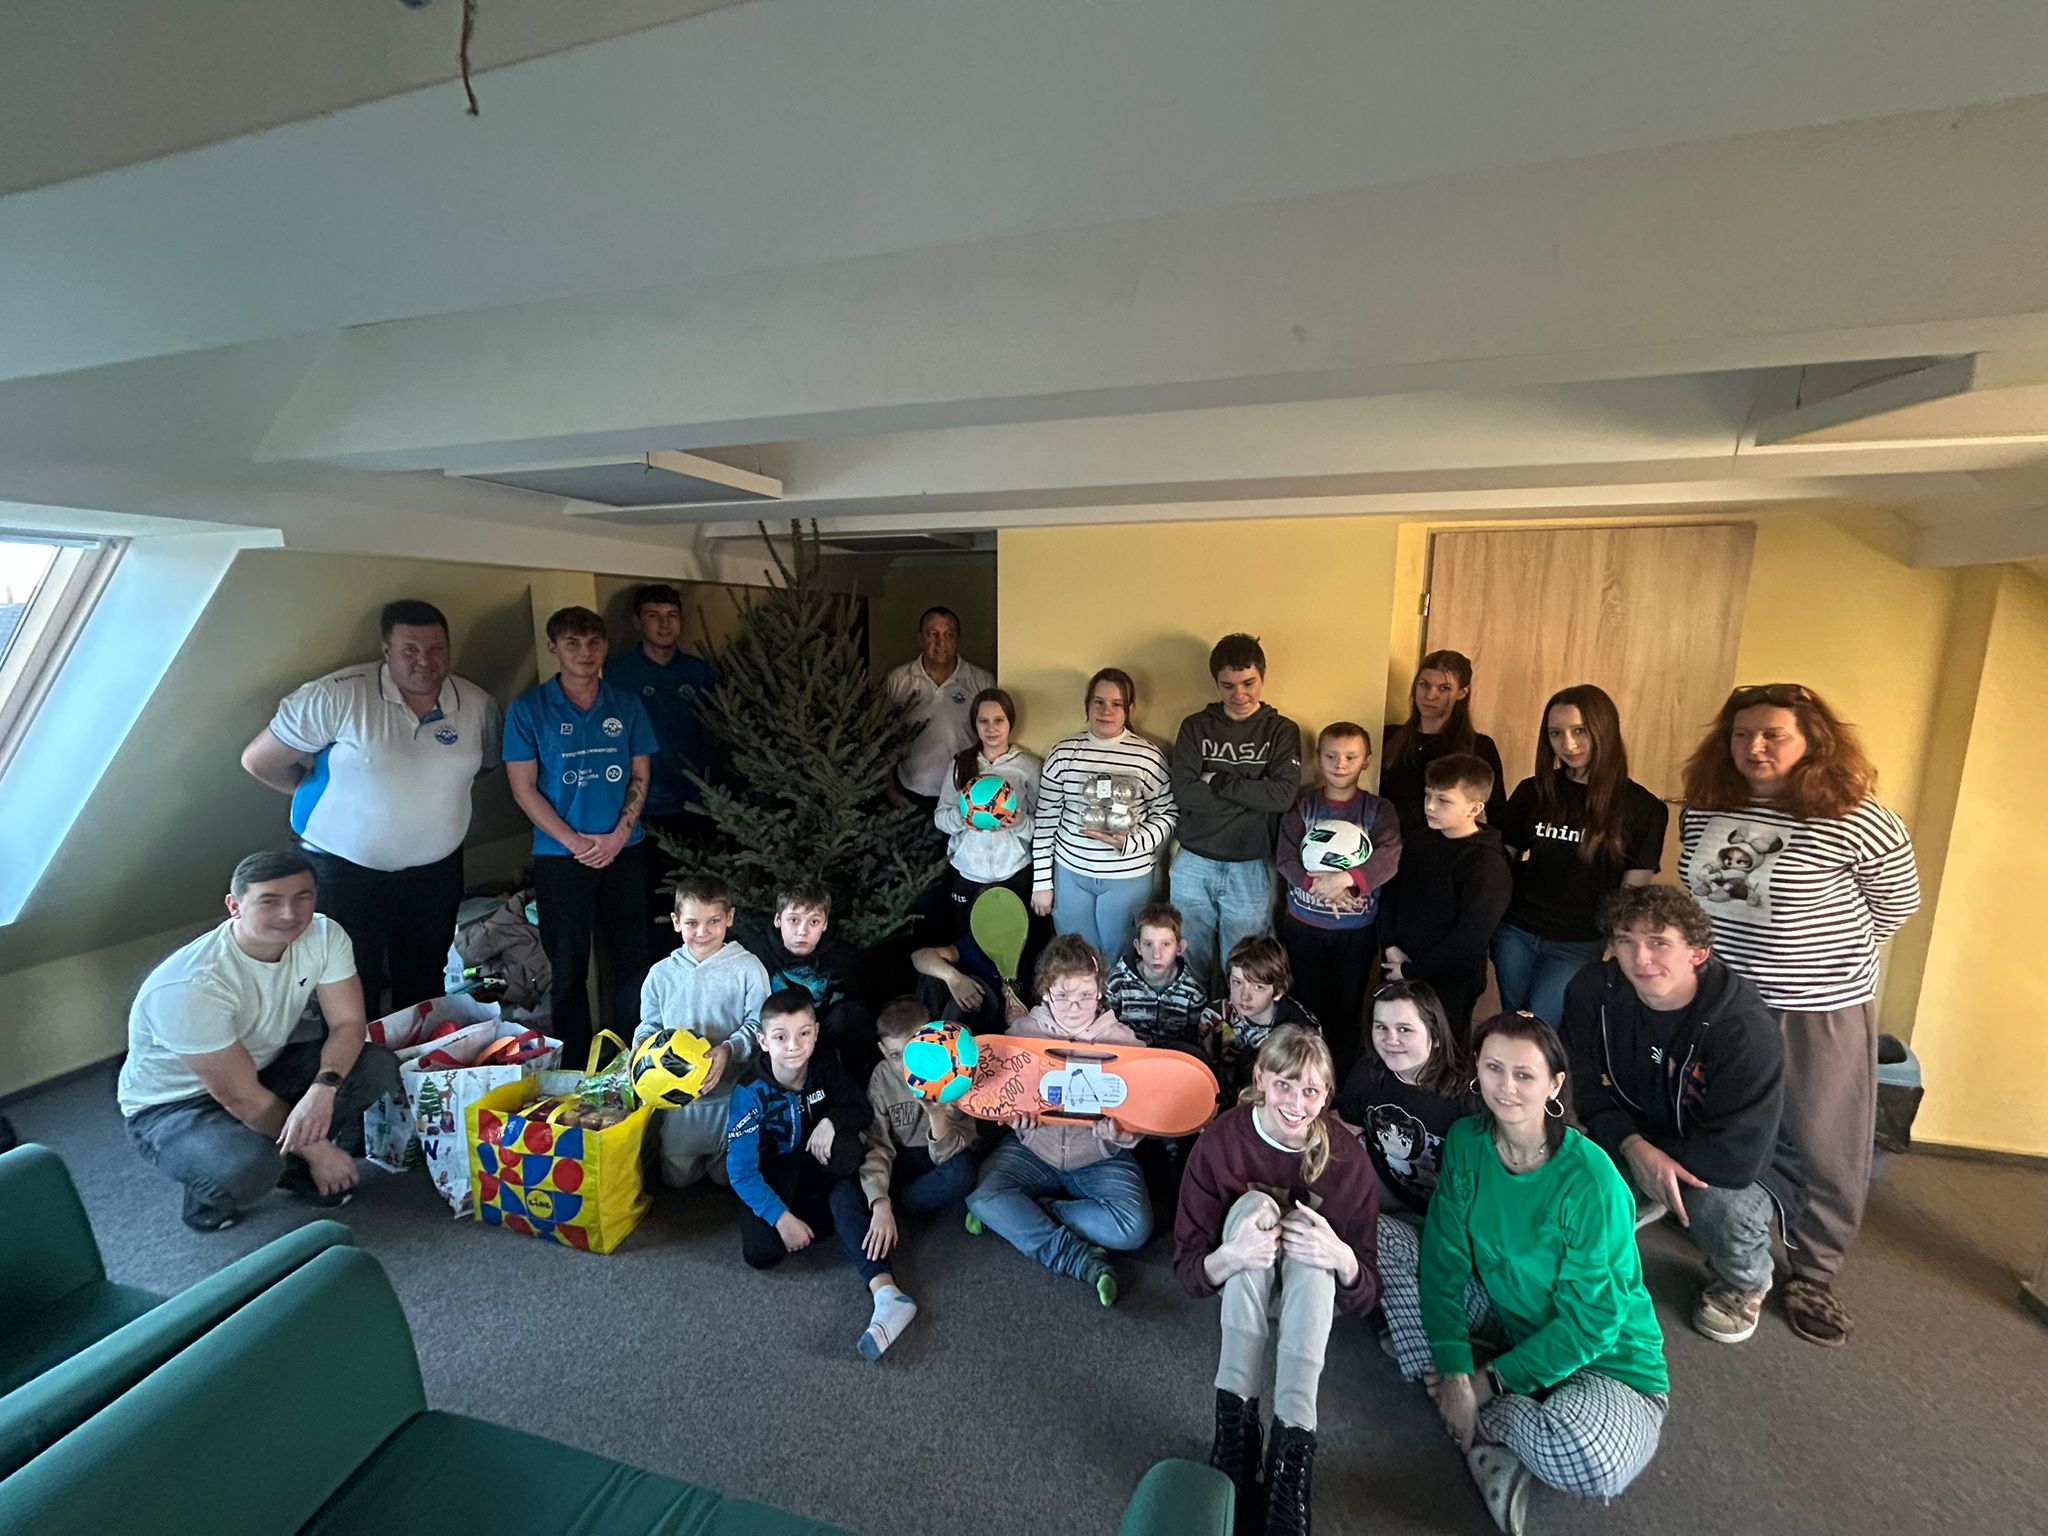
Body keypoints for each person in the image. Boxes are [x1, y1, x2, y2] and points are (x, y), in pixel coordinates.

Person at [1678, 681, 1920, 1348]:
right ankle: (1734, 1243)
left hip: (1817, 1008)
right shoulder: (1705, 810)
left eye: (1772, 734)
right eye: (1740, 734)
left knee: (1822, 1139)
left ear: (1813, 741)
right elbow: (1698, 898)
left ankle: (1814, 1270)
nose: (1753, 746)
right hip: (1723, 1000)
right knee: (1728, 1124)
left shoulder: (1859, 818)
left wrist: (1818, 958)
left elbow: (1894, 907)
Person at [1378, 1011, 1669, 1533]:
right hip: (1507, 1319)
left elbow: (1592, 1325)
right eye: (1493, 1068)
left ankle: (1477, 1415)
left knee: (1593, 1460)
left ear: (1554, 1084)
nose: (1506, 1087)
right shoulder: (1467, 1139)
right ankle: (1467, 1399)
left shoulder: (1592, 1182)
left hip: (1608, 1367)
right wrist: (1454, 1368)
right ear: (1477, 1069)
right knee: (1382, 1238)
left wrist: (1483, 1383)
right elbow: (1444, 1258)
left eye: (1524, 1074)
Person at [1565, 885, 1805, 1345]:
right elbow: (1582, 1082)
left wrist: (1651, 1158)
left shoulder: (1743, 1028)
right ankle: (1642, 1195)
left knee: (1717, 1205)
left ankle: (1744, 1280)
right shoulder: (1594, 990)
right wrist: (1633, 1147)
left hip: (1740, 1161)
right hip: (1639, 1133)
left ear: (1698, 952)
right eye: (1626, 940)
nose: (1640, 957)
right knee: (1569, 1184)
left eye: (1659, 942)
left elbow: (1739, 1157)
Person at [240, 599, 501, 1016]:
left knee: (424, 979)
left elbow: (484, 767)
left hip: (435, 874)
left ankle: (416, 1057)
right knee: (348, 982)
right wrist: (329, 800)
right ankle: (354, 1060)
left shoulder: (477, 705)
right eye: (410, 650)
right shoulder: (337, 695)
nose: (424, 661)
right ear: (386, 651)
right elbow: (260, 761)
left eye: (436, 649)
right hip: (342, 871)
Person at [120, 850, 399, 1232]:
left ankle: (292, 1158)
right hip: (173, 1105)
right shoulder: (190, 986)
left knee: (375, 1066)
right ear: (234, 906)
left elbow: (349, 1024)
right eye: (270, 901)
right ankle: (210, 1193)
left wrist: (323, 1088)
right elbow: (239, 1097)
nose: (289, 913)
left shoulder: (324, 934)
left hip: (261, 1069)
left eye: (303, 897)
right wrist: (320, 1151)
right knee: (248, 1167)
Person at [1175, 1025, 1381, 1536]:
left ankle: (1292, 1449)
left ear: (1326, 1096)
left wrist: (1341, 1257)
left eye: (1310, 1091)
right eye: (1284, 1085)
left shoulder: (1347, 1159)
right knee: (1255, 1209)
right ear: (1261, 1080)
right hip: (1244, 1283)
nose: (1295, 1103)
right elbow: (1189, 1271)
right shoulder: (1222, 1141)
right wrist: (1233, 1255)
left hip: (1311, 1298)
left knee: (1313, 1236)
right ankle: (1236, 1429)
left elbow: (1365, 1294)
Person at [725, 989, 919, 1361]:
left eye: (803, 1034)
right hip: (775, 1171)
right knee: (762, 1253)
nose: (793, 1046)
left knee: (847, 1152)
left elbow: (859, 1108)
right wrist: (781, 1219)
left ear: (815, 1033)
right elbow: (741, 1172)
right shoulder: (749, 1092)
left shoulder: (825, 1066)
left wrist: (830, 1121)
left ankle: (878, 1279)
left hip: (817, 1161)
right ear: (763, 1042)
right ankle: (817, 1217)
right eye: (780, 1037)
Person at [503, 605, 657, 1065]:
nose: (585, 652)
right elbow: (523, 789)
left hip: (624, 850)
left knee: (632, 961)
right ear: (554, 648)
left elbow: (640, 775)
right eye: (572, 643)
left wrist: (618, 835)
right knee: (568, 967)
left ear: (605, 646)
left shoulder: (626, 703)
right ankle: (575, 1066)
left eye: (593, 642)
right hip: (560, 858)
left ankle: (632, 1057)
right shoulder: (528, 709)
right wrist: (576, 843)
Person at [964, 934, 1151, 1303]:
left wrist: (1125, 1135)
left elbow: (1142, 1110)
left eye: (1085, 994)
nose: (1074, 1006)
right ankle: (1079, 1260)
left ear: (1100, 992)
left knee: (1134, 1228)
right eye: (1062, 995)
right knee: (982, 1196)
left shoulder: (1126, 1042)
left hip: (1099, 1157)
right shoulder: (1021, 1034)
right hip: (1034, 1150)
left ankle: (1038, 1212)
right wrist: (1012, 1118)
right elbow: (999, 1094)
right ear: (1046, 992)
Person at [1494, 685, 1667, 1030]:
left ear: (1604, 730)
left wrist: (1622, 944)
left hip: (1578, 941)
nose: (1568, 744)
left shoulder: (1643, 808)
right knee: (1512, 1022)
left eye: (1580, 731)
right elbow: (1500, 861)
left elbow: (1632, 892)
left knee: (1541, 1026)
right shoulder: (1533, 790)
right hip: (1516, 931)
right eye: (1555, 733)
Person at [1168, 634, 1305, 991]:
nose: (1239, 694)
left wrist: (1218, 781)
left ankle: (1236, 1023)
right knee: (1187, 959)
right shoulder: (1195, 726)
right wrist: (1252, 797)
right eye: (1228, 685)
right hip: (1194, 860)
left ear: (1263, 677)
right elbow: (1184, 791)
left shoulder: (1281, 730)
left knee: (1245, 966)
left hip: (1250, 863)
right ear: (1216, 683)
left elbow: (1281, 796)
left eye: (1248, 683)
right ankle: (1193, 1019)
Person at [1276, 722, 1403, 1076]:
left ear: (1366, 760)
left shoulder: (1378, 810)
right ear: (1318, 758)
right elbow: (1285, 857)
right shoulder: (1303, 806)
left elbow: (1389, 856)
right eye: (1331, 756)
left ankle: (1341, 1080)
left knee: (1348, 1009)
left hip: (1356, 933)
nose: (1340, 764)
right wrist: (1316, 886)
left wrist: (1347, 881)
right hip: (1304, 928)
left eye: (1350, 757)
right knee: (1306, 1007)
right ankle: (1305, 1076)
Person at [1030, 668, 1176, 961]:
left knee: (1121, 957)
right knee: (1076, 958)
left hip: (1127, 876)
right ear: (1087, 705)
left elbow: (1168, 813)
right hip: (1071, 872)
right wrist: (1042, 882)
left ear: (1130, 708)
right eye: (1098, 702)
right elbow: (1045, 820)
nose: (1106, 711)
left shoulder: (1147, 756)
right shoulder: (1063, 753)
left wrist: (1130, 842)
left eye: (1116, 704)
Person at [638, 874, 773, 1188]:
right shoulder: (660, 974)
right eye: (692, 923)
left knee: (728, 1179)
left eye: (714, 921)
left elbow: (760, 1025)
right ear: (676, 922)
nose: (702, 932)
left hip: (732, 1094)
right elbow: (650, 1024)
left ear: (729, 918)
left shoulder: (748, 968)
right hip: (679, 1103)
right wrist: (642, 1046)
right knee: (678, 1181)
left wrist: (728, 1049)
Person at [604, 583, 719, 944]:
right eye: (653, 616)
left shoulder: (700, 672)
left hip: (697, 805)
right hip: (643, 809)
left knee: (697, 899)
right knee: (652, 904)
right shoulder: (618, 674)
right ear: (637, 622)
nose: (664, 624)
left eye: (672, 616)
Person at [1378, 753, 1512, 1042]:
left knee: (1441, 1049)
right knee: (1394, 1042)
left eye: (1444, 800)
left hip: (1449, 983)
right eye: (1428, 795)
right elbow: (1390, 893)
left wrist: (1413, 970)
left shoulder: (1487, 864)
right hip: (1398, 965)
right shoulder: (1418, 840)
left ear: (1475, 808)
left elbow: (1470, 938)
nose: (1429, 806)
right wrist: (1390, 946)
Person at [1336, 980, 1475, 1223]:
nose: (1390, 1039)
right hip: (1382, 1188)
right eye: (1381, 1027)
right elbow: (1349, 1127)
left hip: (1443, 1215)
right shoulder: (1366, 1072)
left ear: (1436, 1035)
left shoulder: (1468, 1096)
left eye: (1404, 1029)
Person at [858, 998, 981, 1268]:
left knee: (963, 1172)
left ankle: (905, 1205)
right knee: (867, 1178)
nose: (906, 1065)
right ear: (882, 1051)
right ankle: (896, 1204)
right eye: (895, 1056)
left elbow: (950, 1152)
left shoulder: (953, 1070)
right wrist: (879, 1198)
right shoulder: (881, 1077)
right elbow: (878, 1144)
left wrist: (936, 1116)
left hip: (942, 1154)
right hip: (903, 1156)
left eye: (913, 1051)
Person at [935, 687, 1046, 980]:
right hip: (968, 875)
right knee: (970, 953)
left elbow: (1044, 826)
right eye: (983, 721)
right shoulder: (960, 764)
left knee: (1019, 955)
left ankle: (1016, 1000)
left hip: (1015, 873)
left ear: (1010, 722)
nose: (991, 728)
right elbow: (940, 818)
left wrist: (1019, 823)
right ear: (974, 723)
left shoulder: (1029, 766)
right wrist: (962, 819)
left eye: (999, 720)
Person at [741, 880, 874, 1076]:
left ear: (824, 924)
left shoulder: (843, 957)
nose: (802, 931)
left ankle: (854, 1076)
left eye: (813, 922)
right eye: (794, 920)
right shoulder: (757, 954)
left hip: (824, 1031)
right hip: (778, 1035)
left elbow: (861, 1002)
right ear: (778, 920)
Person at [1378, 650, 1507, 839]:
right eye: (1424, 685)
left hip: (1448, 848)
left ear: (1462, 692)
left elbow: (1498, 814)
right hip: (1390, 845)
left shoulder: (1479, 746)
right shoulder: (1390, 737)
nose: (1430, 696)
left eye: (1444, 688)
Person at [885, 606, 995, 815]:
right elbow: (882, 740)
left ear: (958, 639)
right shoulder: (897, 681)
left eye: (948, 635)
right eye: (932, 634)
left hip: (965, 794)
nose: (940, 643)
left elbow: (993, 739)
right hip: (910, 793)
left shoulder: (981, 681)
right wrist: (891, 791)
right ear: (920, 638)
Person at [1200, 936, 1322, 1101]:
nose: (1245, 996)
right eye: (1237, 982)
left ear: (1278, 991)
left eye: (1258, 987)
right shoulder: (1215, 1016)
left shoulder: (1301, 1032)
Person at [1103, 901, 1209, 1053]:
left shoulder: (1193, 991)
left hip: (1172, 1059)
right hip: (1130, 1055)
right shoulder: (1117, 983)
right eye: (1148, 944)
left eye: (1166, 944)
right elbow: (1104, 1028)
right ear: (1138, 947)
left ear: (1180, 947)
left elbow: (1195, 1041)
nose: (1156, 955)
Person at [910, 929, 1028, 1035]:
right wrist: (954, 978)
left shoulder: (1031, 955)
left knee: (975, 985)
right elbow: (918, 956)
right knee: (932, 976)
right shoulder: (978, 946)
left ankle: (942, 1045)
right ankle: (921, 1039)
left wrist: (1021, 1016)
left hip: (994, 1023)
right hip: (952, 1015)